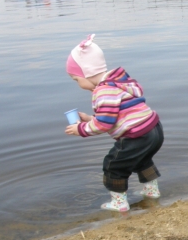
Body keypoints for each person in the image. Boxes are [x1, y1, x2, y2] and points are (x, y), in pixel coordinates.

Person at [65, 35, 163, 212]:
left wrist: (81, 129)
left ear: (87, 73)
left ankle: (119, 203)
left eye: (76, 79)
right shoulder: (118, 83)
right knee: (142, 160)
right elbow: (115, 115)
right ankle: (151, 191)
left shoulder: (103, 90)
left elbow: (104, 124)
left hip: (136, 136)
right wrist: (89, 118)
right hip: (153, 129)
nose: (78, 84)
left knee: (113, 165)